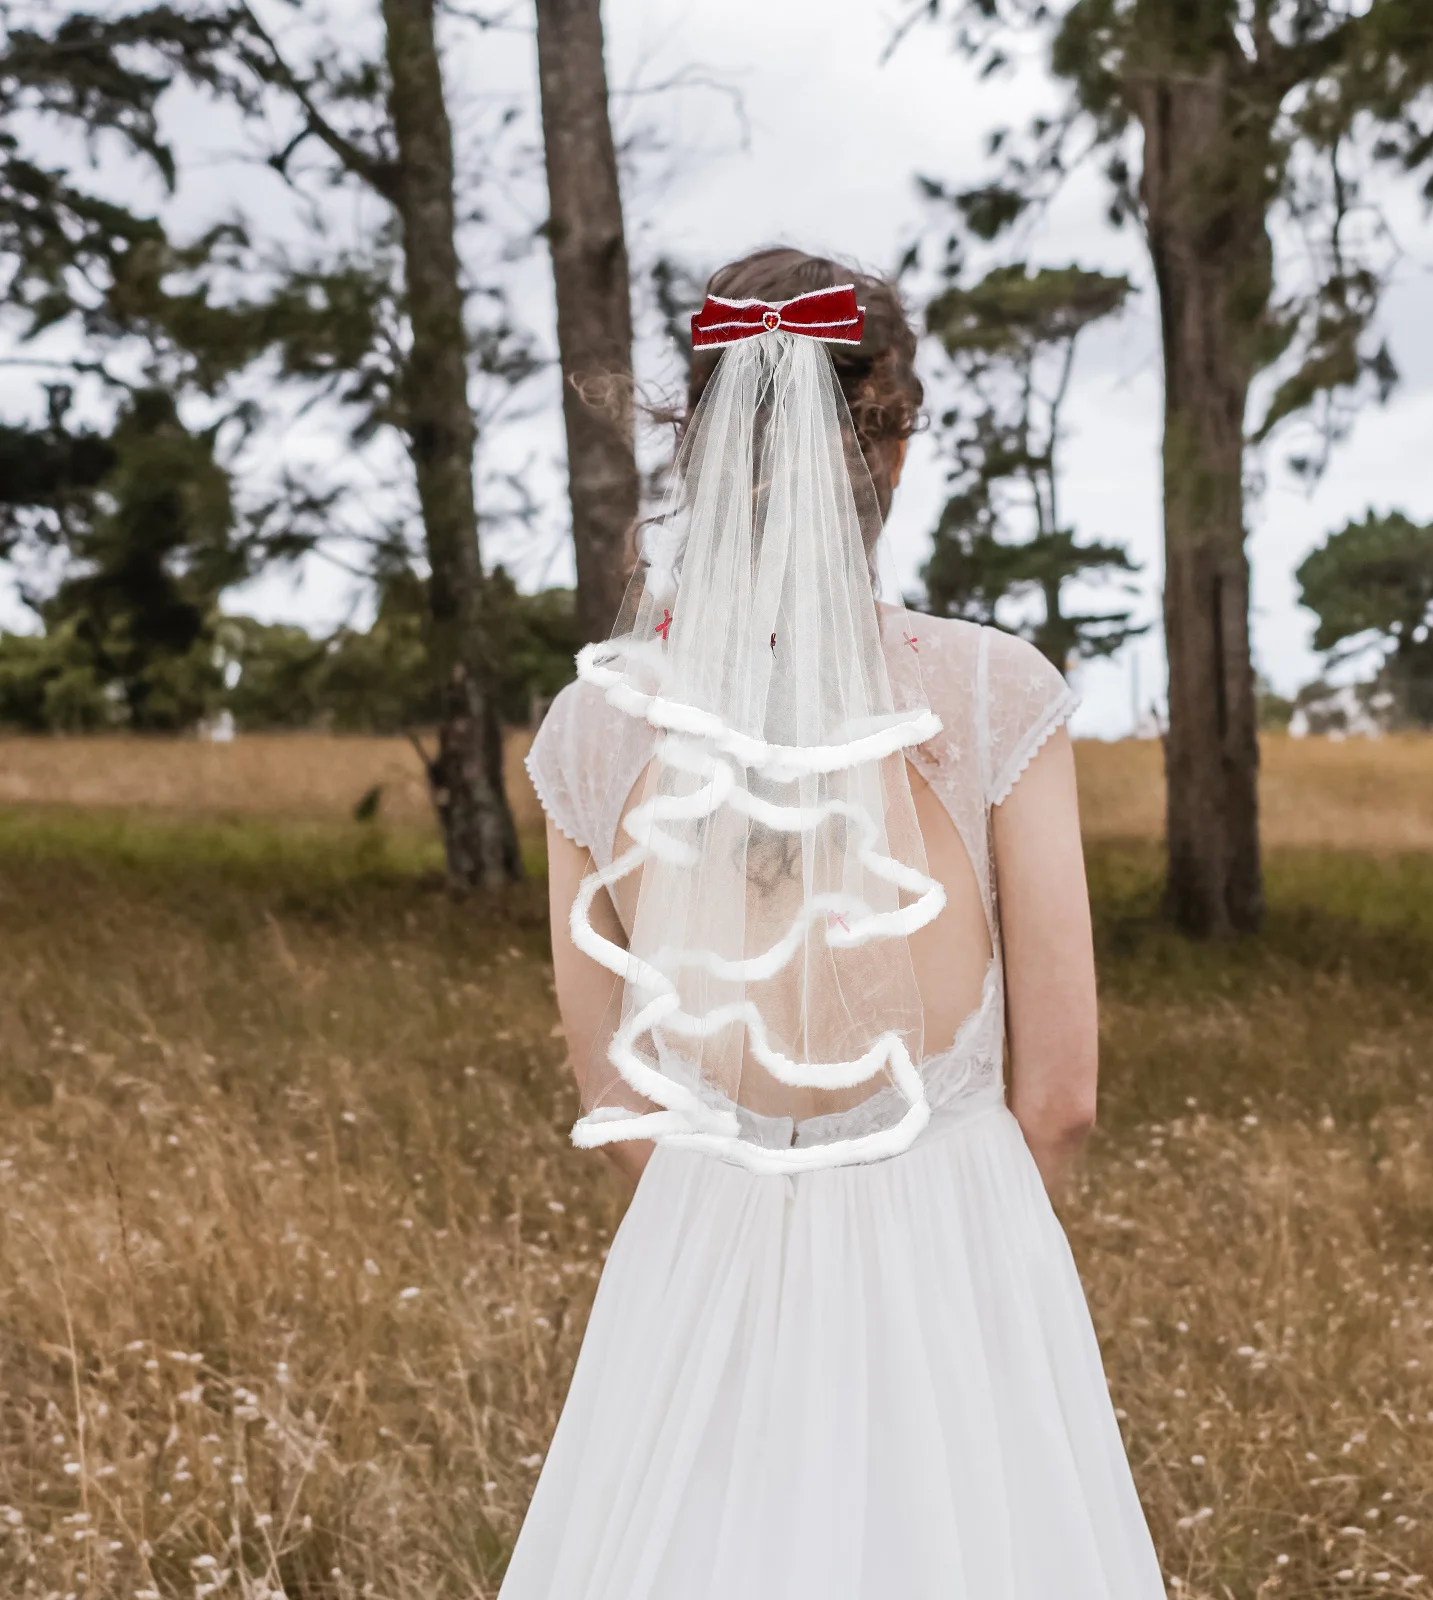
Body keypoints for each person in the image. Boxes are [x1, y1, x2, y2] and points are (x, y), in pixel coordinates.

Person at [500, 248, 1165, 1599]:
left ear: (708, 434)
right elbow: (1063, 1098)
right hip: (955, 1238)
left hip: (698, 1253)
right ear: (891, 440)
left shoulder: (590, 732)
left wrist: (743, 1218)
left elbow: (621, 1102)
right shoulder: (993, 697)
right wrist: (948, 1244)